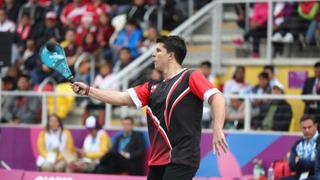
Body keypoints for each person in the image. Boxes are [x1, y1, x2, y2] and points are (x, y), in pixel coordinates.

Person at [71, 35, 228, 180]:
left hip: (182, 157)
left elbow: (217, 97)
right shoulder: (151, 87)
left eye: (158, 50)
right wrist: (88, 90)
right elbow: (121, 98)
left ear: (171, 55)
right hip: (158, 159)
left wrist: (217, 127)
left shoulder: (190, 77)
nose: (154, 55)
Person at [283, 115, 320, 180]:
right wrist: (309, 163)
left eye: (309, 127)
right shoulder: (298, 143)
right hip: (301, 175)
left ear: (315, 126)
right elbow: (292, 166)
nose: (307, 130)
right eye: (304, 128)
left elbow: (317, 166)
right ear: (300, 128)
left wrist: (300, 161)